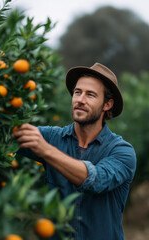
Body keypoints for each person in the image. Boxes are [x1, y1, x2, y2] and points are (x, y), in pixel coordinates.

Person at [13, 62, 136, 240]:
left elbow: (95, 180)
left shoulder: (122, 151)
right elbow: (6, 132)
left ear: (107, 104)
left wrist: (46, 150)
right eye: (77, 92)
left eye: (90, 95)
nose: (80, 99)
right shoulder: (52, 138)